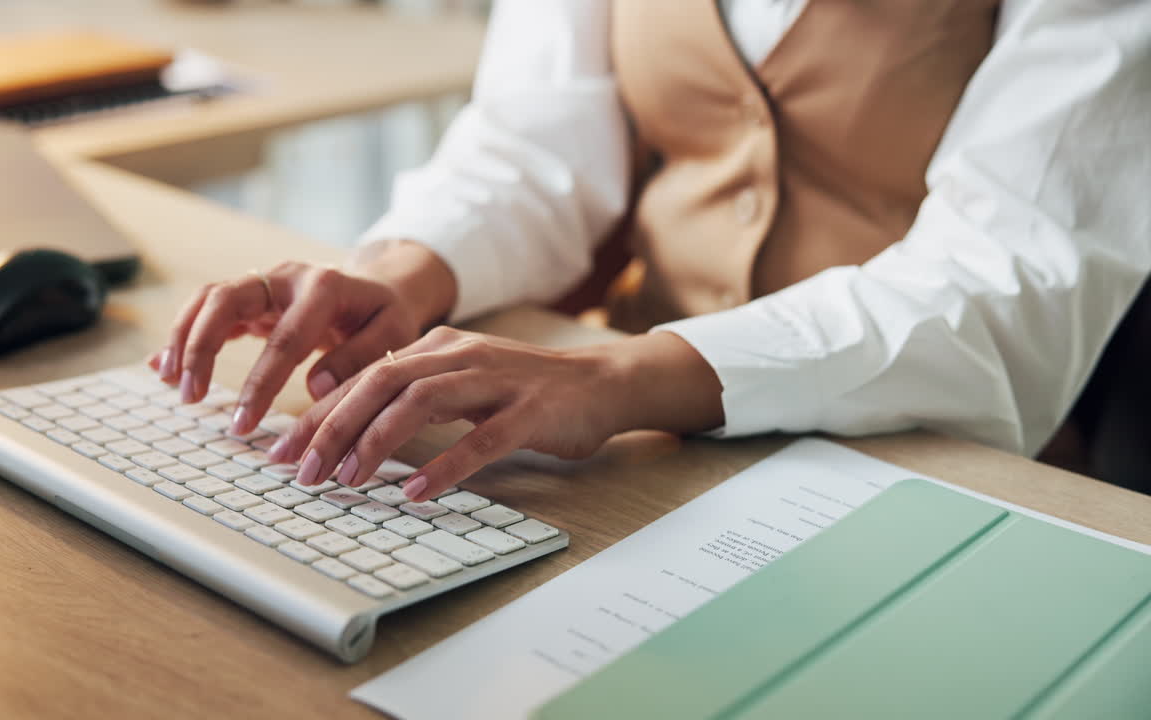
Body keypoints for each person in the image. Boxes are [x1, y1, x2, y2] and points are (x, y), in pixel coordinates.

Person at [149, 0, 1151, 503]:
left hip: (932, 465)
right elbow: (535, 143)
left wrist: (618, 375)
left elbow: (1008, 275)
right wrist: (404, 270)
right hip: (645, 464)